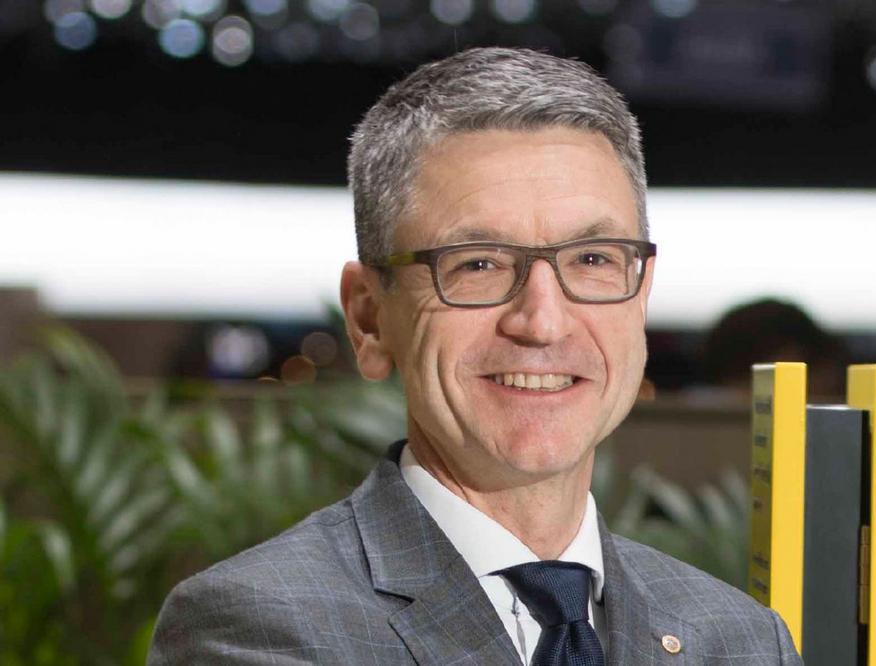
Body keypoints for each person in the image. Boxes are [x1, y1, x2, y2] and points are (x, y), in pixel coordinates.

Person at [148, 47, 801, 665]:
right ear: (369, 319)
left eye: (592, 259)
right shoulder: (260, 624)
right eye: (478, 264)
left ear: (641, 295)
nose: (543, 321)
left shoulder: (742, 640)